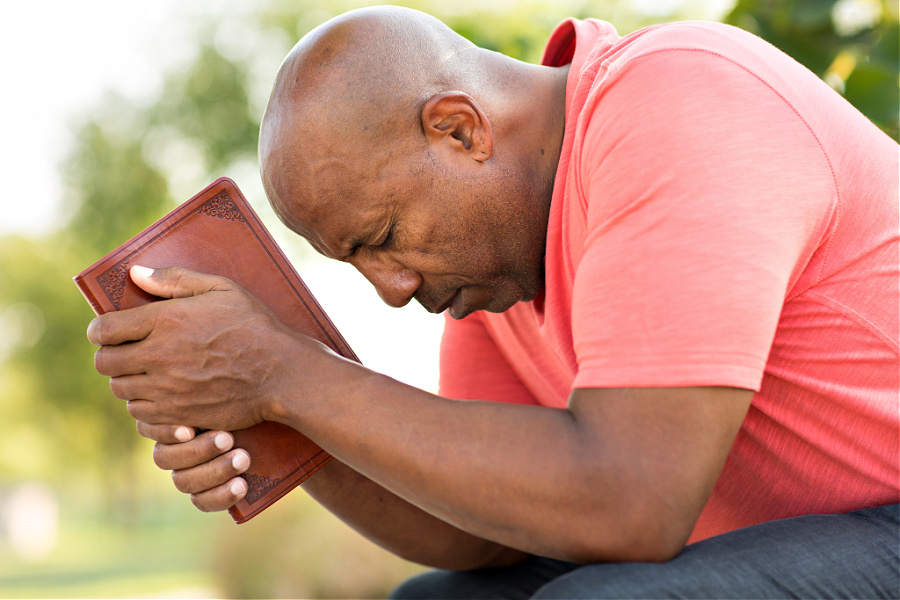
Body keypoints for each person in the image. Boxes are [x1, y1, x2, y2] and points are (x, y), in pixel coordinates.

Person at [86, 6, 899, 598]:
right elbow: (478, 534)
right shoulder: (503, 263)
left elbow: (630, 500)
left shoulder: (681, 100)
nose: (393, 289)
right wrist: (282, 422)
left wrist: (285, 372)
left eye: (384, 235)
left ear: (460, 130)